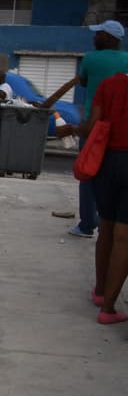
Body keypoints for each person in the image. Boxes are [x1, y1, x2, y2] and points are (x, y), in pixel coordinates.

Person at [70, 21, 128, 238]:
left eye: (99, 34)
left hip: (93, 127)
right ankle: (114, 221)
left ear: (109, 38)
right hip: (120, 130)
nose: (95, 38)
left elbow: (83, 82)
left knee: (87, 173)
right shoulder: (127, 60)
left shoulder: (91, 58)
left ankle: (87, 224)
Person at [88, 71, 128, 323]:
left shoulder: (109, 83)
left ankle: (100, 291)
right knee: (123, 237)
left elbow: (94, 124)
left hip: (108, 160)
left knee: (106, 227)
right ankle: (109, 309)